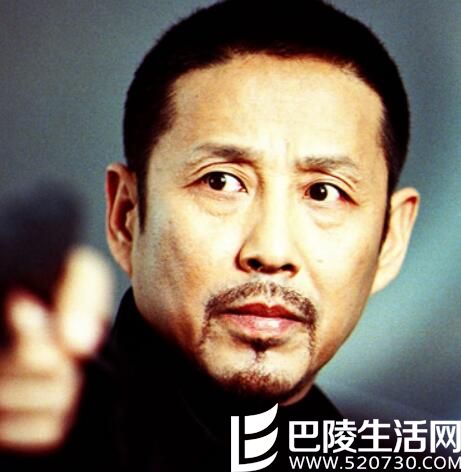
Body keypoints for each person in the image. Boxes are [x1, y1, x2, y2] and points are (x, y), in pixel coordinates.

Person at [0, 0, 420, 470]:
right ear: (126, 216)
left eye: (324, 192)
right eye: (220, 182)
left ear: (391, 239)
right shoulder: (59, 421)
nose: (271, 250)